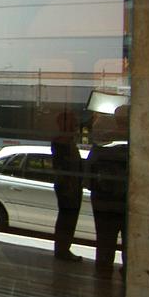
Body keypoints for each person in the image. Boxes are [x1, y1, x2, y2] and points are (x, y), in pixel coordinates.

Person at [88, 105, 129, 276]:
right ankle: (120, 269)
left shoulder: (103, 142)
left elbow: (89, 170)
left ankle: (103, 270)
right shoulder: (127, 142)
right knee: (125, 239)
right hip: (118, 200)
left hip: (105, 199)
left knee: (105, 238)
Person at [50, 110, 84, 261]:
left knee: (68, 218)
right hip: (67, 186)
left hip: (71, 185)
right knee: (67, 218)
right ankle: (62, 250)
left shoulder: (67, 141)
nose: (76, 125)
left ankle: (63, 249)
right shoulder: (61, 142)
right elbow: (63, 167)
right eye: (73, 122)